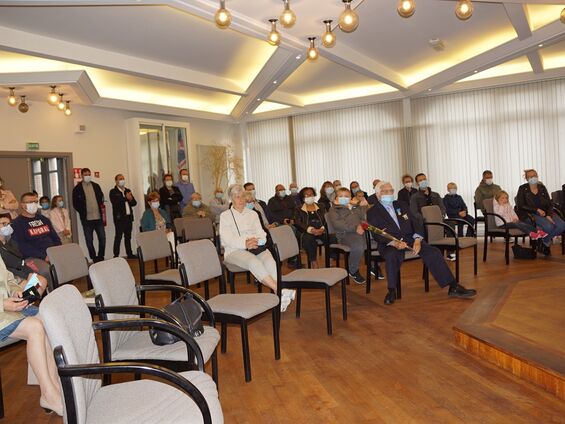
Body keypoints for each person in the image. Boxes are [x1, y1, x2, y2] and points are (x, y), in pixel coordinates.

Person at [367, 182, 477, 305]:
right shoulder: (373, 212)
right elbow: (377, 234)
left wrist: (418, 239)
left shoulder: (401, 205)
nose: (389, 194)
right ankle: (392, 290)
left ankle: (453, 286)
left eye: (391, 191)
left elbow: (416, 223)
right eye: (385, 191)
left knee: (433, 252)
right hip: (389, 243)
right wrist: (394, 243)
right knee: (392, 256)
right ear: (377, 194)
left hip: (410, 239)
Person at [0, 257, 63, 416]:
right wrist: (3, 304)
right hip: (2, 310)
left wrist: (17, 292)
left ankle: (54, 385)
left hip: (6, 307)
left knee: (46, 318)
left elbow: (7, 278)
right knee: (35, 327)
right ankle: (48, 393)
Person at [220, 184, 295, 312]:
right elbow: (226, 239)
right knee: (254, 262)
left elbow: (262, 234)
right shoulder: (225, 216)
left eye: (243, 196)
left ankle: (281, 297)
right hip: (234, 251)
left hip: (256, 247)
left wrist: (258, 241)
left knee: (270, 260)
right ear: (231, 199)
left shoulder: (253, 213)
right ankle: (281, 290)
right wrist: (245, 243)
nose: (241, 199)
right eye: (237, 197)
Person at [516, 169, 565, 256]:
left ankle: (543, 242)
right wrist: (536, 210)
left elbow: (550, 204)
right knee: (548, 226)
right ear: (526, 178)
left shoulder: (542, 188)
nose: (533, 177)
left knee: (562, 225)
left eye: (535, 175)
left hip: (546, 213)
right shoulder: (522, 188)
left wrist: (549, 215)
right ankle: (544, 243)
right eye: (530, 176)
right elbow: (520, 205)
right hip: (530, 214)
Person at [326, 188, 366, 284]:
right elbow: (338, 224)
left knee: (374, 240)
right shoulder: (334, 209)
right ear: (336, 198)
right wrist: (355, 227)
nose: (344, 198)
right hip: (345, 234)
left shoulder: (355, 207)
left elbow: (363, 218)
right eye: (341, 196)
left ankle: (372, 265)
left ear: (351, 198)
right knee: (359, 246)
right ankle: (353, 270)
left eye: (346, 196)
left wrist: (359, 207)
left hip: (359, 232)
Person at [0, 213, 53, 285]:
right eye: (4, 223)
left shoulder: (12, 242)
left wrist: (30, 272)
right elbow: (5, 268)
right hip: (10, 277)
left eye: (9, 224)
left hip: (21, 270)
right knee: (32, 285)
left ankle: (35, 294)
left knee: (41, 281)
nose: (8, 226)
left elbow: (20, 261)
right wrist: (25, 275)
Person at [11, 192, 61, 262]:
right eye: (30, 202)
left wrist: (58, 251)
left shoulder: (44, 219)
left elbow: (55, 238)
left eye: (35, 202)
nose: (34, 204)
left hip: (52, 253)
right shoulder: (17, 223)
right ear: (23, 205)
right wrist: (43, 257)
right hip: (34, 258)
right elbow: (22, 246)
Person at [294, 187, 335, 269]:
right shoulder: (298, 208)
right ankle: (313, 262)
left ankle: (330, 258)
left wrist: (322, 228)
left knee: (332, 238)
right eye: (307, 195)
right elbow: (298, 222)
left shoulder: (321, 206)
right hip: (306, 231)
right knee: (309, 239)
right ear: (303, 197)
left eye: (311, 194)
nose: (309, 196)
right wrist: (311, 230)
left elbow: (326, 219)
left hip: (321, 229)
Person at [71, 168, 106, 262]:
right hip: (86, 219)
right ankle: (94, 257)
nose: (88, 176)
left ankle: (101, 256)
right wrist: (82, 211)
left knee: (102, 238)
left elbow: (101, 198)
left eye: (89, 174)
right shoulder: (77, 189)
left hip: (98, 217)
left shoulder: (96, 186)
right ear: (82, 176)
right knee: (89, 240)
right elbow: (75, 204)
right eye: (85, 174)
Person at [109, 174, 138, 259]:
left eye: (123, 178)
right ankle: (116, 255)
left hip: (129, 218)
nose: (122, 180)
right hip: (119, 219)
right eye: (120, 179)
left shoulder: (128, 190)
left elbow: (134, 203)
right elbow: (115, 202)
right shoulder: (113, 192)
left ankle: (130, 254)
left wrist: (130, 199)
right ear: (116, 181)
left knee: (128, 237)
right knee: (118, 236)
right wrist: (126, 198)